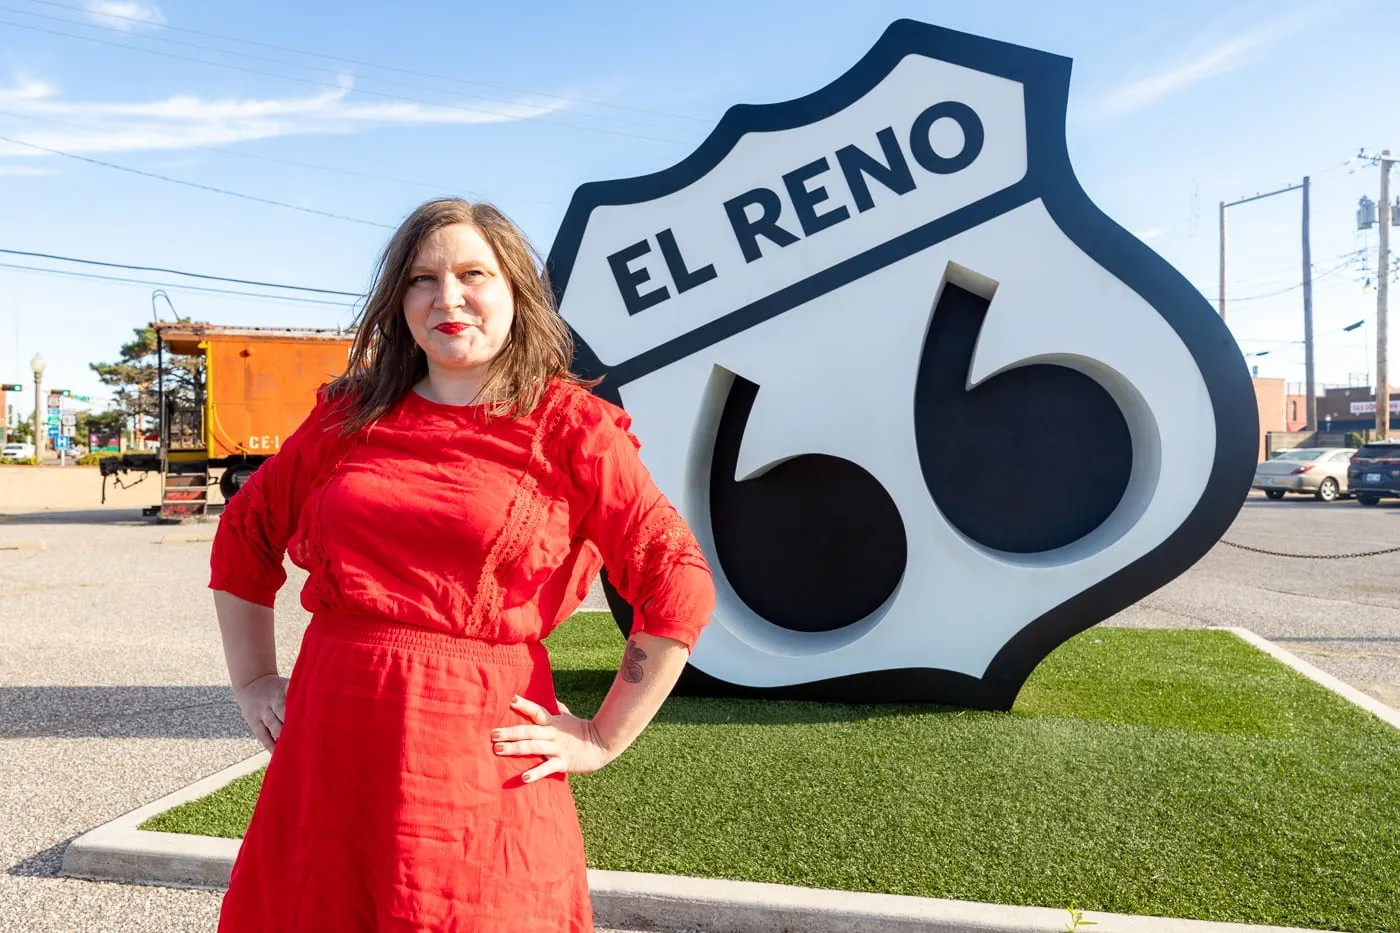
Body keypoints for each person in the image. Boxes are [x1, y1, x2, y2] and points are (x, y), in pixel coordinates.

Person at [209, 197, 716, 932]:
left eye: (473, 273)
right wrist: (254, 679)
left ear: (515, 289)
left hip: (475, 764)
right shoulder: (347, 416)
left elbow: (676, 580)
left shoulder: (569, 426)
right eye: (422, 278)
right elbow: (246, 533)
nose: (448, 297)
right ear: (399, 299)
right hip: (332, 753)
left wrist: (602, 736)